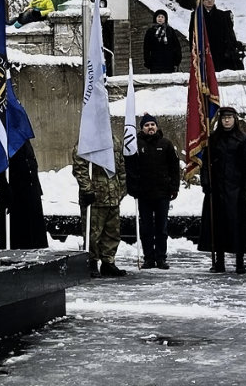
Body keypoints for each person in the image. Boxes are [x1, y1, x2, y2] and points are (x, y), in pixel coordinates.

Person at [198, 107, 246, 273]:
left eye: (230, 117)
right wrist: (206, 183)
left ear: (235, 119)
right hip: (217, 189)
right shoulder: (213, 139)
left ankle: (239, 261)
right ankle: (219, 261)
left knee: (237, 225)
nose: (227, 121)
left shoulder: (243, 139)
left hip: (236, 189)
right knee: (218, 225)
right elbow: (206, 165)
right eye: (224, 118)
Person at [125, 114, 179, 269]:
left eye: (152, 125)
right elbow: (130, 168)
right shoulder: (135, 145)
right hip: (144, 194)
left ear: (157, 127)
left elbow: (174, 169)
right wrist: (133, 188)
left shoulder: (166, 144)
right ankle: (149, 257)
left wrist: (174, 188)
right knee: (147, 228)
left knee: (162, 228)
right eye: (147, 125)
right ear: (142, 128)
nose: (150, 127)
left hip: (162, 194)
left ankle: (161, 258)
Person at [74, 146, 127, 277]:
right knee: (93, 233)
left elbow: (121, 167)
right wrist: (87, 190)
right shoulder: (88, 140)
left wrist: (122, 189)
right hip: (95, 197)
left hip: (113, 196)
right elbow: (80, 167)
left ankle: (108, 263)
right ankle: (91, 262)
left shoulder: (115, 141)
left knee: (112, 233)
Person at [0, 140, 49, 249]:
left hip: (30, 194)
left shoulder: (23, 137)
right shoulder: (2, 136)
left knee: (34, 240)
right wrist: (4, 187)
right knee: (17, 240)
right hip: (15, 196)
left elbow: (31, 163)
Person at [189, 0, 245, 72]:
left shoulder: (222, 15)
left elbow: (228, 34)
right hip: (204, 50)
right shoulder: (197, 16)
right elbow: (192, 34)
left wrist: (230, 48)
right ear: (203, 1)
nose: (209, 1)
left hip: (220, 51)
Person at [142, 9, 181, 73]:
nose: (160, 19)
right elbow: (146, 48)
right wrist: (147, 61)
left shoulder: (170, 31)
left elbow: (176, 46)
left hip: (169, 62)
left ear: (165, 19)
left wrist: (177, 60)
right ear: (155, 18)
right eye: (158, 17)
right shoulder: (150, 31)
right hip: (155, 62)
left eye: (162, 17)